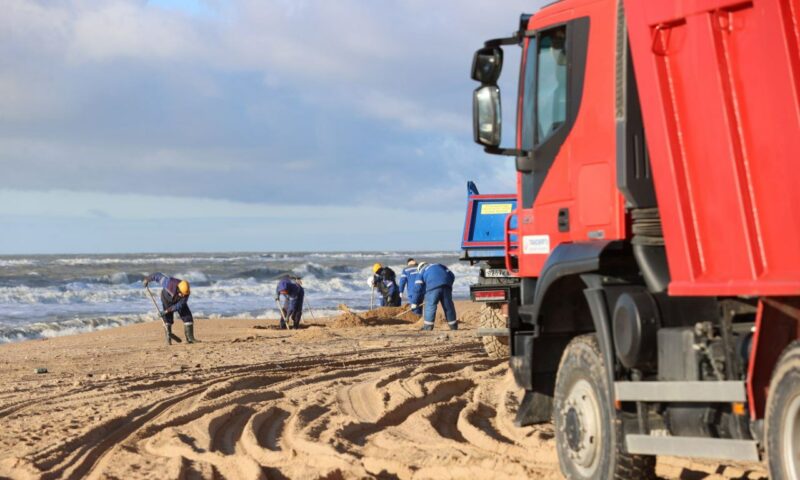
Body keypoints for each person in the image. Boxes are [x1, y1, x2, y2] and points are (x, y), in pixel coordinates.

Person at [143, 272, 197, 344]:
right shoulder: (169, 283)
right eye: (182, 293)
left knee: (187, 316)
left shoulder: (186, 293)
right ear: (178, 288)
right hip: (166, 299)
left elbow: (179, 305)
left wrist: (166, 311)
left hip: (178, 301)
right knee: (167, 319)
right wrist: (147, 279)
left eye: (184, 294)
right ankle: (168, 340)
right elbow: (157, 276)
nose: (183, 295)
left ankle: (190, 338)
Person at [410, 262, 458, 331]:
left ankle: (428, 327)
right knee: (448, 306)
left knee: (430, 306)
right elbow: (452, 275)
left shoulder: (421, 271)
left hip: (433, 287)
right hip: (446, 285)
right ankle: (453, 326)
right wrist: (448, 284)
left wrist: (414, 302)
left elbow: (418, 288)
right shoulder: (440, 265)